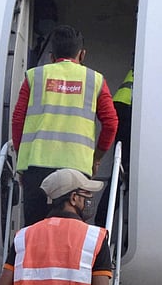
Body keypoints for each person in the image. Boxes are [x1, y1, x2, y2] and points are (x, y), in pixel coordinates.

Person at [11, 25, 118, 226]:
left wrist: (21, 159)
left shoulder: (35, 76)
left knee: (35, 232)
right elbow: (111, 123)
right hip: (77, 170)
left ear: (52, 56)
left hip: (37, 168)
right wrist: (96, 158)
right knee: (73, 232)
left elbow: (18, 120)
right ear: (82, 54)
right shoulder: (95, 80)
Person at [94, 67, 133, 229]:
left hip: (125, 104)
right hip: (132, 107)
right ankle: (102, 222)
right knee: (125, 172)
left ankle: (102, 221)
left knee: (121, 172)